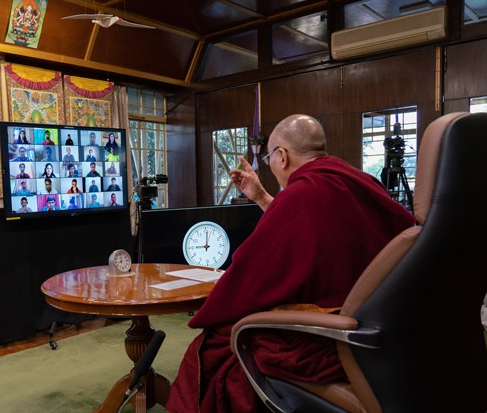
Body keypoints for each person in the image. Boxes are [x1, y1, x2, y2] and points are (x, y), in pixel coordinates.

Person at [166, 114, 415, 413]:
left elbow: (250, 275)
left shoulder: (302, 193)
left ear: (281, 156)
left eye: (270, 157)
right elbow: (319, 231)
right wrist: (261, 197)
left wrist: (214, 307)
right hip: (387, 324)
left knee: (216, 345)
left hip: (333, 336)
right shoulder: (361, 180)